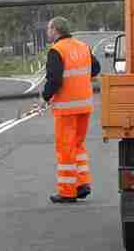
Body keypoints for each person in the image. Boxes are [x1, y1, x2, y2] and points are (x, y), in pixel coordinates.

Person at [42, 16, 101, 203]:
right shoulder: (82, 46)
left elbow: (55, 79)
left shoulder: (56, 50)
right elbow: (95, 68)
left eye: (49, 29)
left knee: (65, 148)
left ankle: (67, 191)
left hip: (66, 108)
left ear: (56, 30)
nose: (47, 32)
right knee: (78, 146)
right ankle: (82, 184)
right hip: (84, 105)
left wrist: (45, 96)